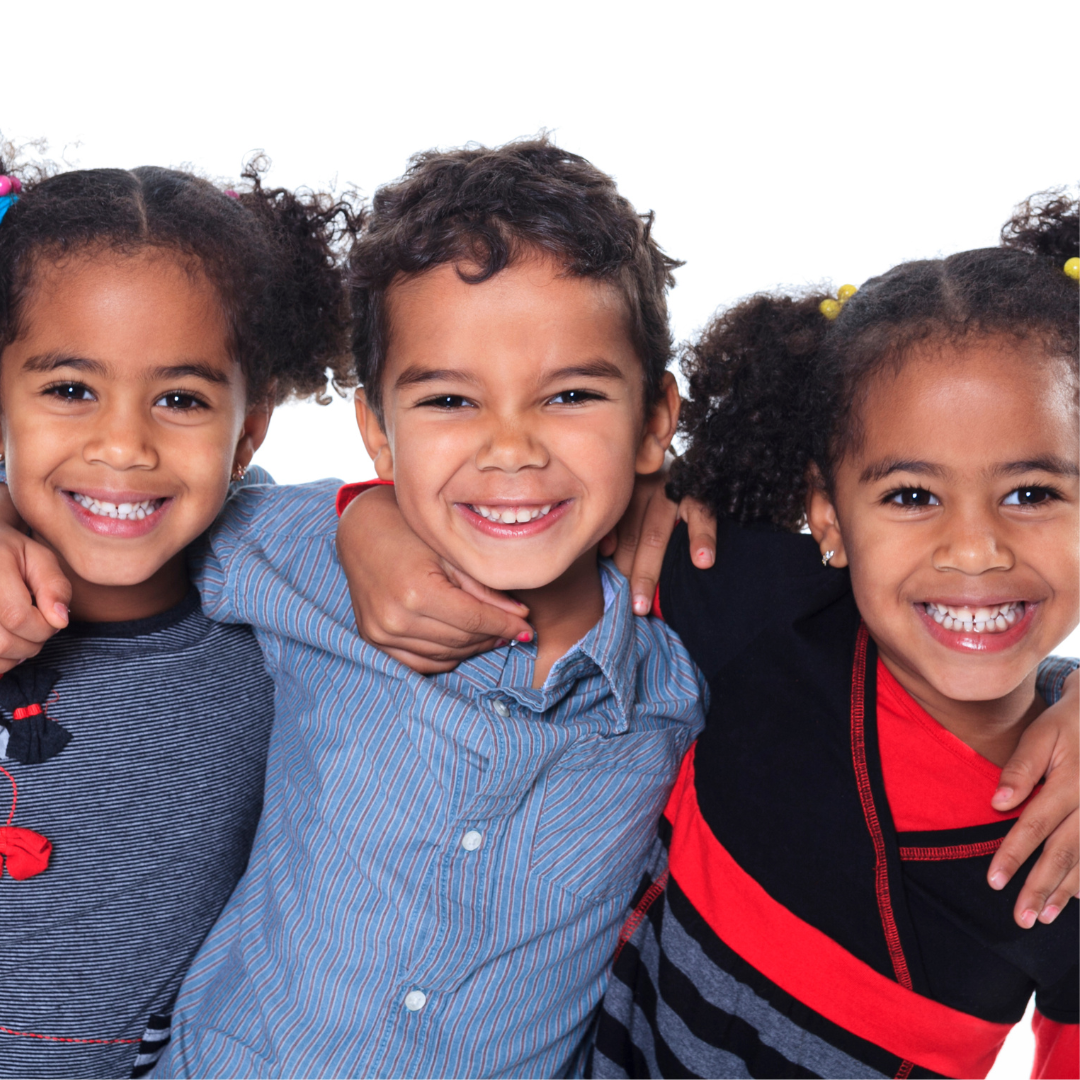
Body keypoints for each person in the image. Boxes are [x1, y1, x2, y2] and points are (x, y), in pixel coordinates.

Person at [149, 137, 706, 1079]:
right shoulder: (300, 557)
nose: (511, 448)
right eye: (449, 400)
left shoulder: (686, 677)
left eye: (571, 395)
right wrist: (360, 514)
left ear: (654, 420)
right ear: (377, 430)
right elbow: (122, 503)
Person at [585, 192, 1080, 1078]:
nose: (975, 548)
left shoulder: (1066, 846)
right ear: (827, 514)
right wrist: (650, 493)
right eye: (911, 496)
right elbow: (508, 518)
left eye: (1032, 493)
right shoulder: (757, 607)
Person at [0, 151, 359, 1078]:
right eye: (70, 389)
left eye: (180, 399)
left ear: (249, 431)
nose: (124, 443)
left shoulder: (282, 628)